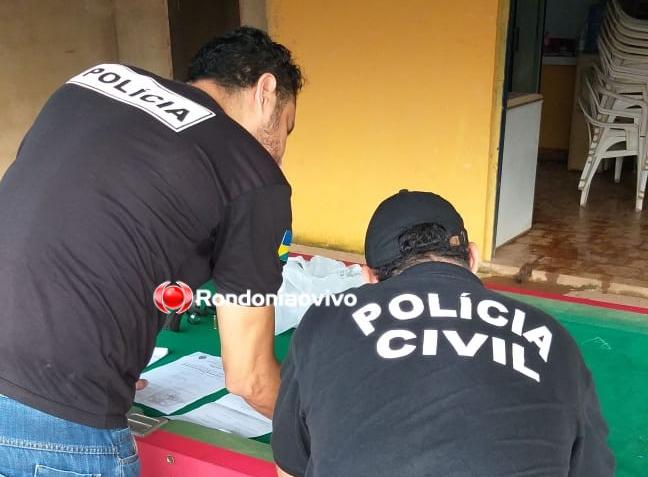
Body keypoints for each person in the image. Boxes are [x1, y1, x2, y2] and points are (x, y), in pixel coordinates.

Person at [0, 27, 302, 476]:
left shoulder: (94, 82)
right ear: (266, 90)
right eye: (286, 127)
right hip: (60, 422)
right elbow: (249, 377)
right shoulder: (251, 171)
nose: (280, 153)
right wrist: (325, 427)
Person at [272, 190, 615, 477]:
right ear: (473, 257)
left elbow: (290, 466)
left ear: (369, 277)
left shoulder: (325, 321)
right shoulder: (552, 338)